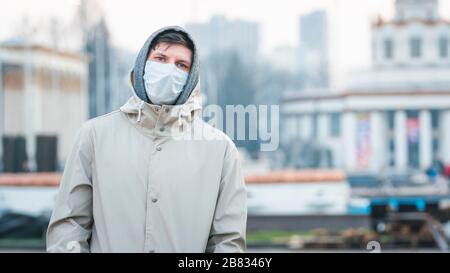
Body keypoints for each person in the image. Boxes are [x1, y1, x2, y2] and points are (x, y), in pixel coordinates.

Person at [46, 26, 247, 253]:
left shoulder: (220, 150)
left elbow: (227, 242)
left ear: (191, 78)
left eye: (181, 65)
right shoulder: (94, 135)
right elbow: (69, 226)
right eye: (160, 59)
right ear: (143, 65)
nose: (169, 69)